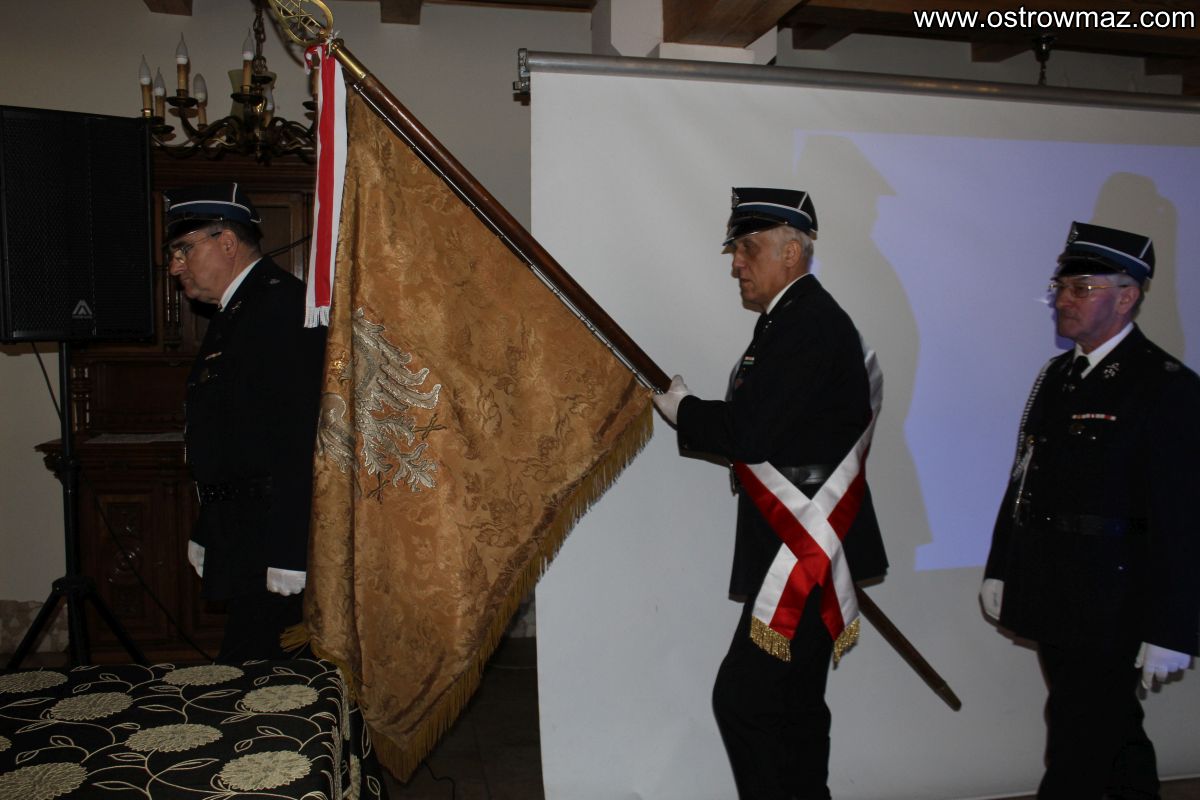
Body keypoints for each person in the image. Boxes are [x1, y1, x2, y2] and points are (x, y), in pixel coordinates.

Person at [653, 188, 888, 800]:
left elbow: (752, 431)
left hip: (805, 544)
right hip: (797, 541)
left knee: (749, 701)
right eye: (735, 250)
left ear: (791, 252)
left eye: (748, 248)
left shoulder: (806, 323)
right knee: (792, 704)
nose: (736, 263)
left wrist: (686, 412)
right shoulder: (790, 320)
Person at [981, 221, 1200, 800]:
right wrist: (1002, 565)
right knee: (1114, 732)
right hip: (1054, 585)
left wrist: (1173, 627)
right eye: (1061, 287)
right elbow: (1024, 478)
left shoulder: (1164, 385)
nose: (1064, 299)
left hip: (1116, 597)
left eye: (1081, 288)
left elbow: (1182, 519)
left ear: (1127, 297)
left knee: (1076, 737)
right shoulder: (1059, 377)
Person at [164, 183, 326, 663]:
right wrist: (208, 527)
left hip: (273, 538)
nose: (175, 266)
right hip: (243, 532)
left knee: (267, 681)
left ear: (228, 242)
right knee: (256, 677)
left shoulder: (279, 308)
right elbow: (231, 435)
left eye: (184, 249)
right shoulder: (239, 309)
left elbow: (301, 436)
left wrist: (290, 551)